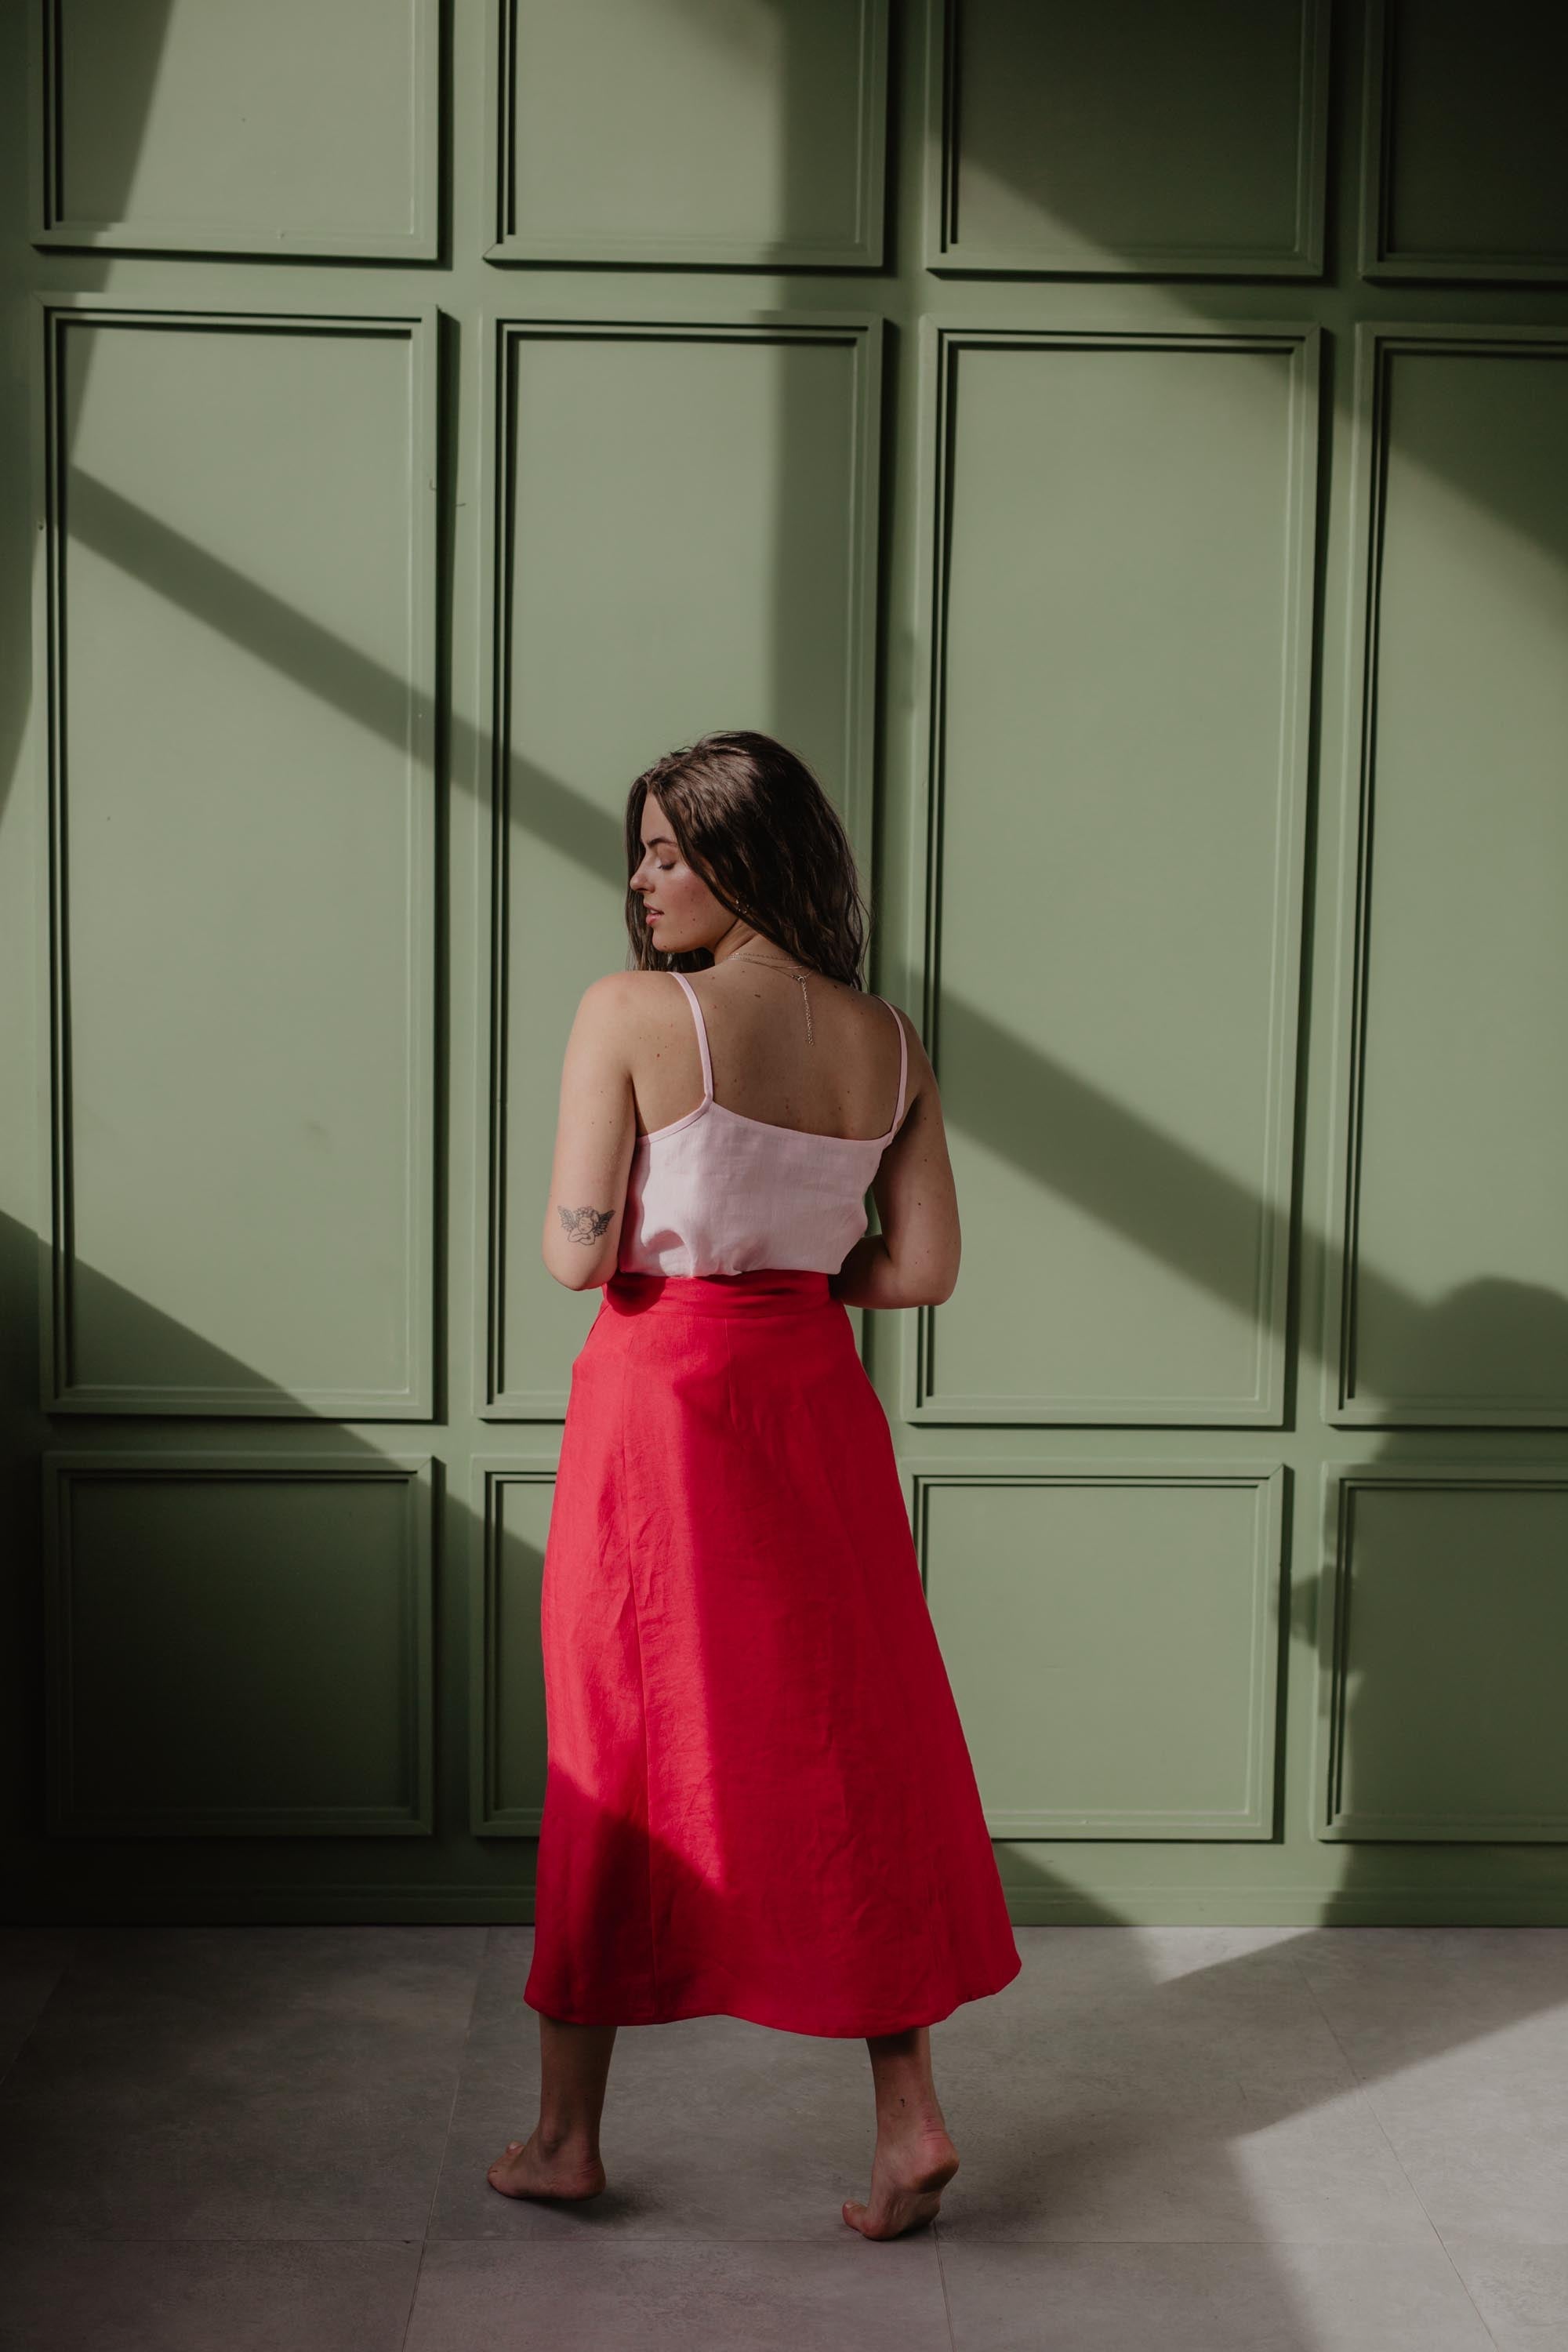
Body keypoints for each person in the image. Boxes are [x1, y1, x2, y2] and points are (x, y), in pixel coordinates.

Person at [487, 730, 1021, 2240]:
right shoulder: (890, 1040)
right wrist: (790, 1261)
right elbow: (921, 1269)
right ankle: (908, 2120)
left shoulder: (631, 1014)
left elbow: (580, 1254)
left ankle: (562, 2138)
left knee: (617, 1743)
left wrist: (663, 1241)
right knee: (849, 1743)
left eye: (668, 849)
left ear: (742, 849)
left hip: (663, 1408)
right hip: (812, 1404)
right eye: (640, 852)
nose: (643, 879)